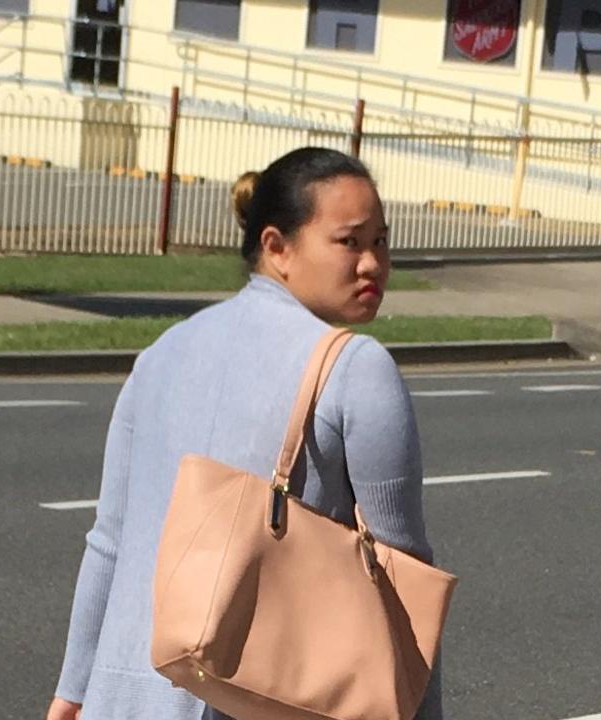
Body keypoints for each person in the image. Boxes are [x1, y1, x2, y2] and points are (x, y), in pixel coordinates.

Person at [45, 148, 442, 720]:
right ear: (277, 247)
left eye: (381, 241)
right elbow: (403, 581)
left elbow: (109, 541)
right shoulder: (355, 367)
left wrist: (74, 689)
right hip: (252, 699)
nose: (372, 263)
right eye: (350, 241)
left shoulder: (159, 355)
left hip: (124, 696)